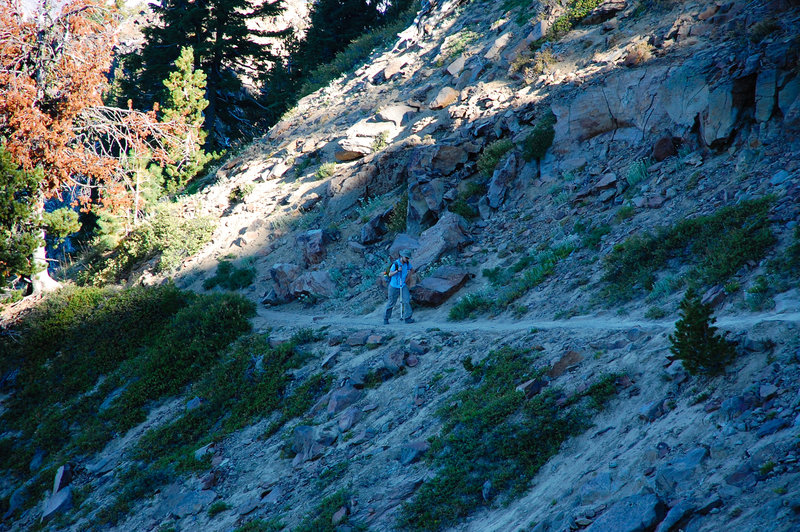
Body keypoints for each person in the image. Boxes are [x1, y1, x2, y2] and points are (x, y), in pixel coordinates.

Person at [384, 250, 414, 324]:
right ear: (402, 256)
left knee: (406, 300)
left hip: (402, 285)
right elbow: (390, 274)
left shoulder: (407, 263)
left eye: (408, 258)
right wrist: (397, 271)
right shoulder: (396, 264)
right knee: (391, 302)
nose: (407, 259)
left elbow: (412, 270)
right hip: (394, 286)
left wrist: (407, 278)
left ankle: (407, 318)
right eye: (406, 257)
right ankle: (386, 318)